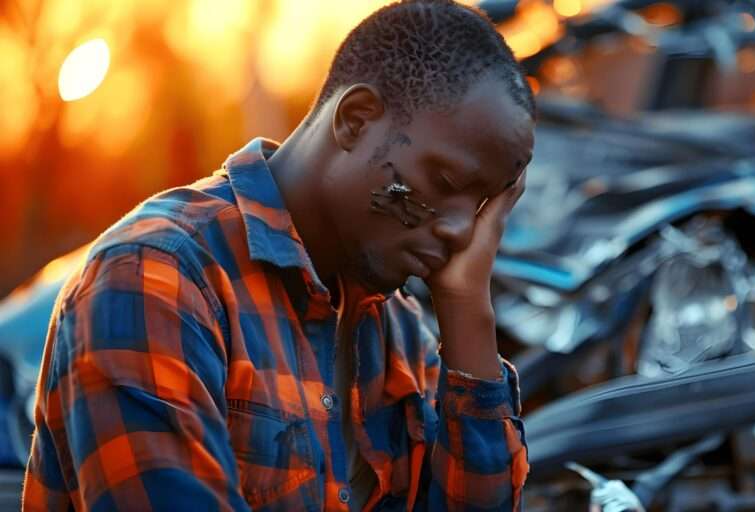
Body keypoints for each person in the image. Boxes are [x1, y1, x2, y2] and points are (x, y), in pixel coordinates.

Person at [22, 1, 535, 510]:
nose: (461, 230)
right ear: (356, 121)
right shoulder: (157, 275)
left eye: (483, 207)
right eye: (445, 183)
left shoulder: (395, 325)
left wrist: (468, 310)